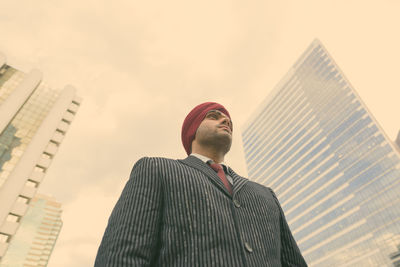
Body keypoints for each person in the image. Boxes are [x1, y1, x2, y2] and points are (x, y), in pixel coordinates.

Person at [94, 102, 307, 267]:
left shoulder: (266, 194)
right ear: (192, 130)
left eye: (228, 120)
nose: (225, 120)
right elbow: (123, 254)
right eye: (214, 116)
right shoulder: (156, 169)